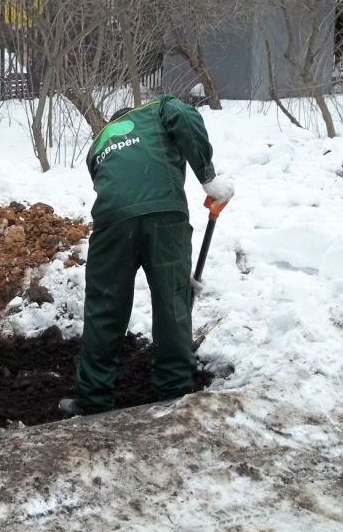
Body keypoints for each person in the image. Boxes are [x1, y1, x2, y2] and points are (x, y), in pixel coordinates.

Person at [60, 95, 234, 417]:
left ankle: (93, 398)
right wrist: (207, 177)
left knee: (104, 307)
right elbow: (182, 114)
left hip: (113, 222)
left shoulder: (98, 144)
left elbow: (114, 184)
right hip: (165, 216)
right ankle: (175, 391)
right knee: (172, 303)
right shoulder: (157, 109)